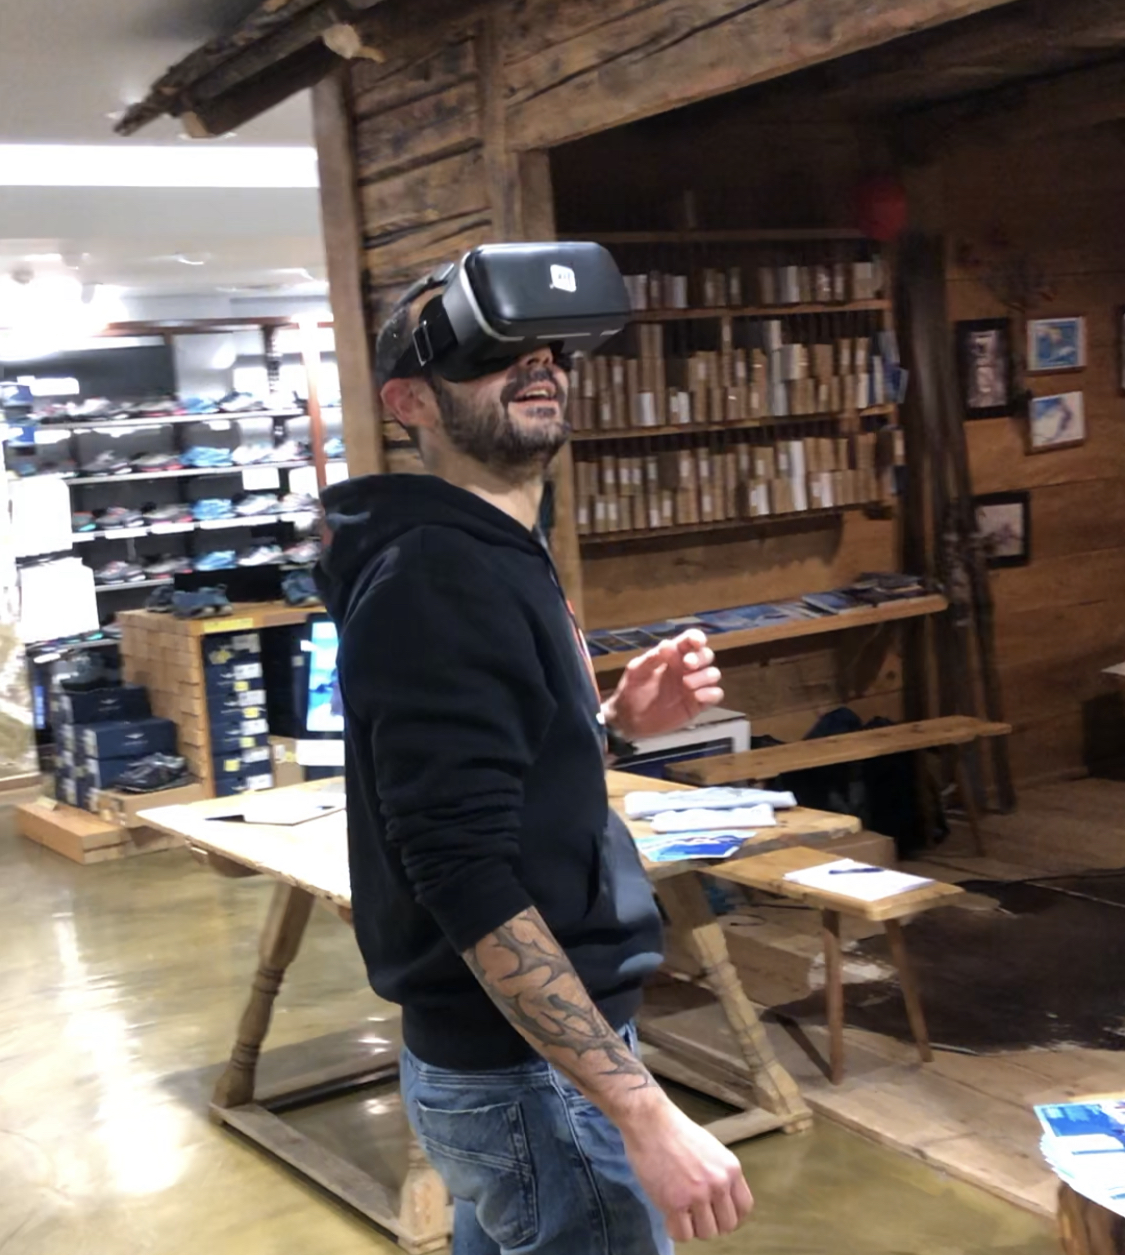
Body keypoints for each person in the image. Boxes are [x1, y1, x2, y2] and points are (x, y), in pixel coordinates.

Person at [316, 278, 755, 1255]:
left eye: (550, 346)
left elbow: (503, 797)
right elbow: (462, 871)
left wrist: (611, 725)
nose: (535, 363)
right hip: (532, 1082)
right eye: (484, 349)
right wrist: (641, 1111)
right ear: (409, 401)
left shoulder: (490, 548)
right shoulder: (437, 575)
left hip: (525, 1074)